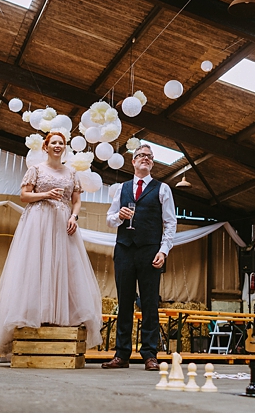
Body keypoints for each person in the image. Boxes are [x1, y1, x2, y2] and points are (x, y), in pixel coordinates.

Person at [0, 131, 103, 354]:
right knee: (35, 266)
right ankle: (30, 321)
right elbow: (24, 196)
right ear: (46, 147)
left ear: (64, 148)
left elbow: (77, 201)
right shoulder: (35, 169)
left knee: (65, 268)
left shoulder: (72, 173)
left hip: (63, 223)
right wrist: (46, 194)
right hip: (39, 222)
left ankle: (61, 324)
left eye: (61, 143)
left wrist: (74, 217)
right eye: (53, 142)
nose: (57, 146)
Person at [101, 144, 177, 370]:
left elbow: (170, 222)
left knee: (150, 302)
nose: (145, 158)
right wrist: (119, 215)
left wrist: (163, 251)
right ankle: (122, 354)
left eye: (149, 157)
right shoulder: (121, 188)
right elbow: (109, 219)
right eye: (140, 156)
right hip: (124, 249)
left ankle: (149, 354)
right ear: (133, 162)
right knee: (124, 302)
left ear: (152, 163)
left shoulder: (163, 189)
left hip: (150, 251)